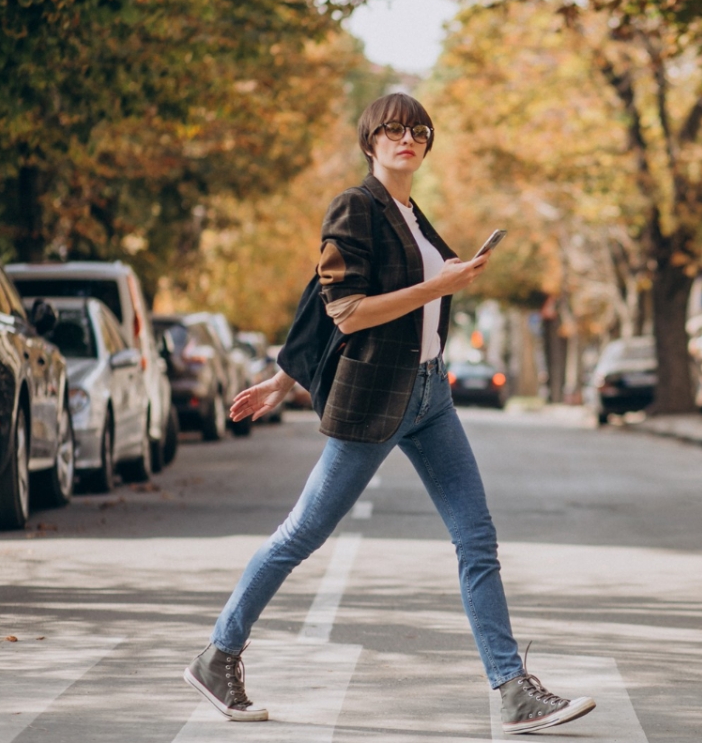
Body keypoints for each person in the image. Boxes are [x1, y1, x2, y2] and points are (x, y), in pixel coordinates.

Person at [182, 93, 596, 735]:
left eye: (419, 131)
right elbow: (342, 307)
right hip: (377, 398)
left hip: (431, 397)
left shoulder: (411, 215)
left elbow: (311, 300)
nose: (408, 139)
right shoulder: (356, 205)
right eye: (394, 130)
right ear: (371, 141)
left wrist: (282, 375)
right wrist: (439, 286)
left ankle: (511, 690)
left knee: (476, 539)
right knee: (301, 535)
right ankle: (218, 655)